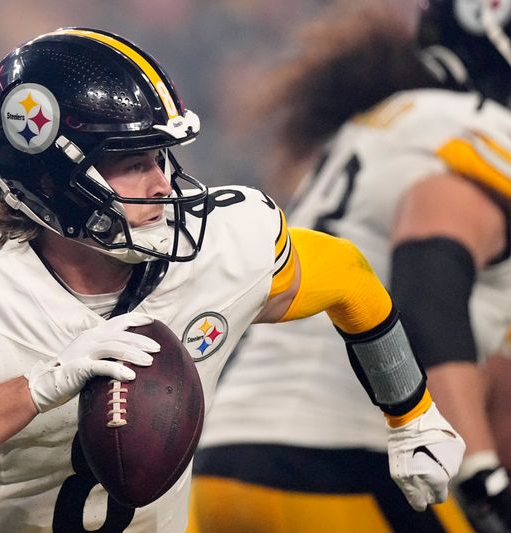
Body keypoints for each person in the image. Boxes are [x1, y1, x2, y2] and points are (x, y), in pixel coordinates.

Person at [0, 27, 466, 533]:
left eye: (163, 158)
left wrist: (412, 415)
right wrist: (42, 387)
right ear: (50, 180)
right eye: (134, 163)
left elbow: (350, 278)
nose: (164, 184)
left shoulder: (226, 247)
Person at [190, 1, 511, 532]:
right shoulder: (484, 131)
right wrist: (480, 473)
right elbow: (429, 282)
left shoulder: (381, 125)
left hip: (225, 465)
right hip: (351, 466)